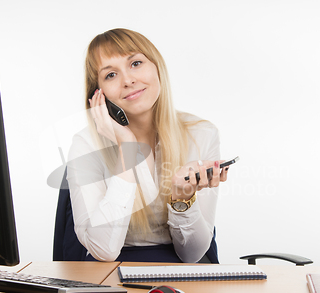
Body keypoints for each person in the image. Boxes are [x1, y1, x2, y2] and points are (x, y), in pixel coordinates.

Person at [66, 28, 230, 263]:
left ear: (157, 67)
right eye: (111, 75)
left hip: (183, 272)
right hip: (110, 273)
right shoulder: (86, 145)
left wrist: (182, 198)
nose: (128, 80)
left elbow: (192, 254)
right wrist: (127, 148)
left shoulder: (201, 134)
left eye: (135, 63)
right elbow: (104, 251)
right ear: (98, 95)